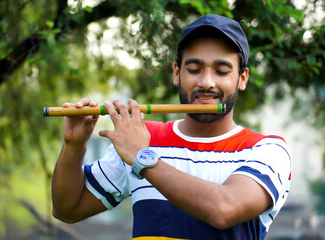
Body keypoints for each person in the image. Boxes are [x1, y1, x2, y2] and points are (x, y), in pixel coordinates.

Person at [51, 14, 292, 240]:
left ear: (242, 78)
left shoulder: (267, 150)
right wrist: (74, 146)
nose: (207, 82)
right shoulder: (145, 138)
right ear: (177, 73)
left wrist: (142, 158)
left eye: (221, 71)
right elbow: (68, 209)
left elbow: (224, 209)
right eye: (194, 69)